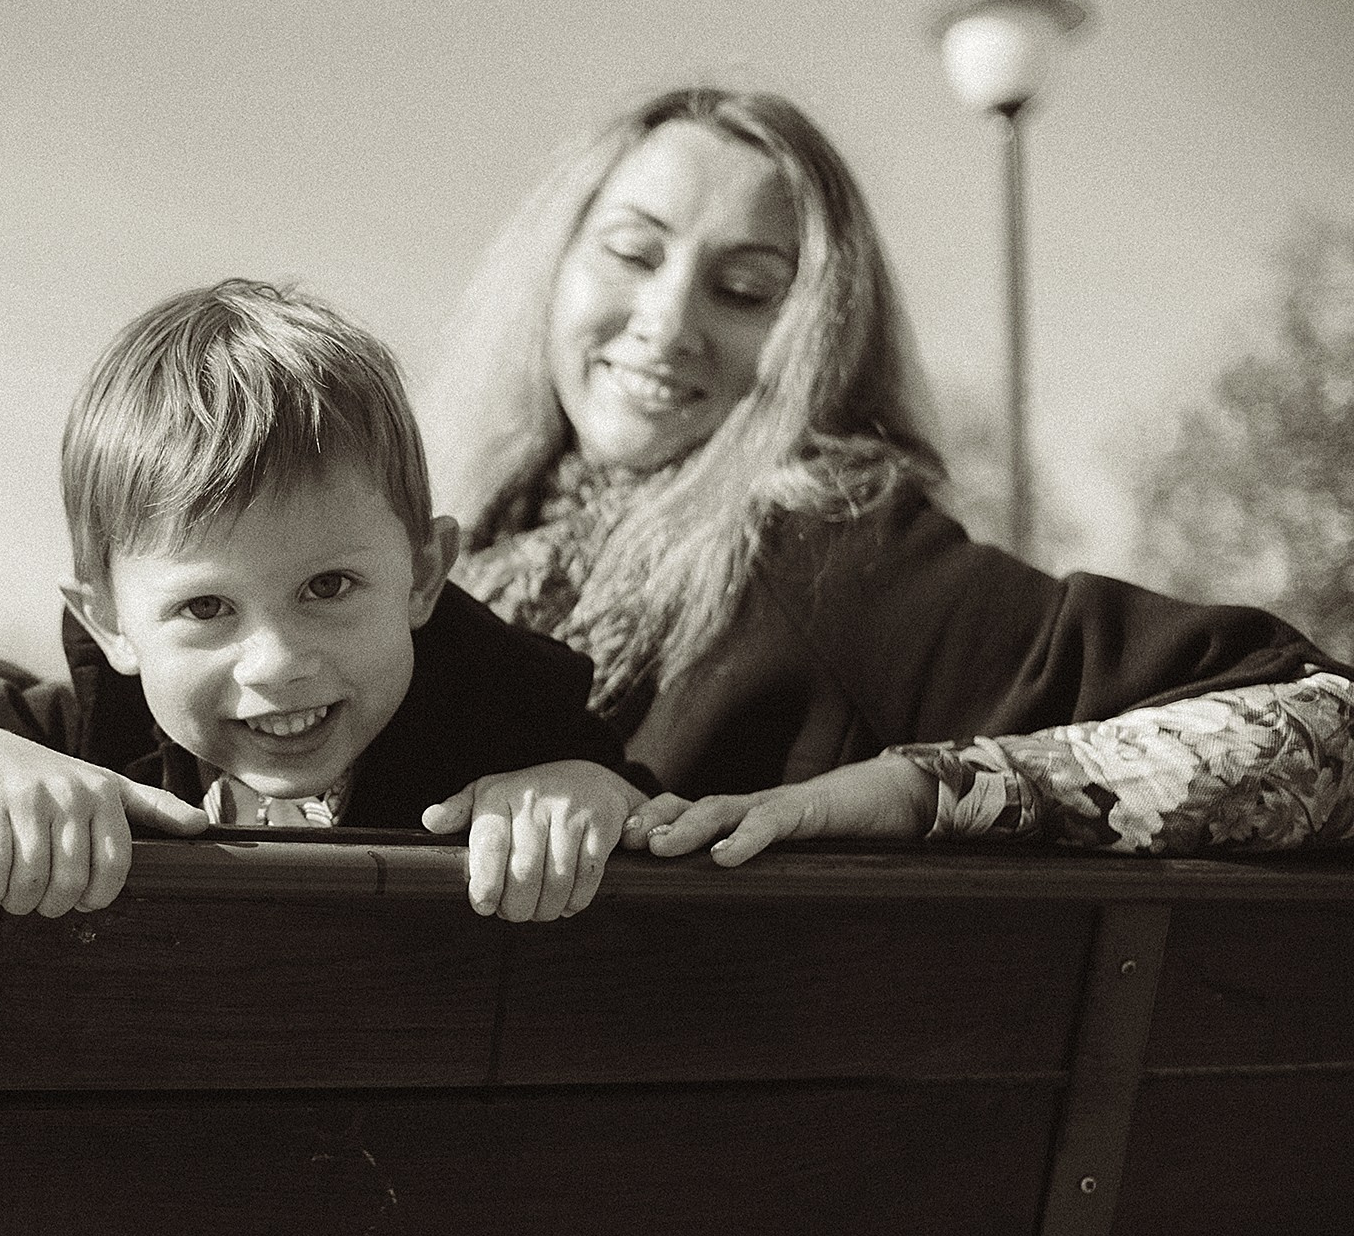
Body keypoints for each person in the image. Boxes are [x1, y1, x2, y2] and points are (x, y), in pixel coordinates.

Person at [422, 86, 1354, 866]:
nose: (668, 320)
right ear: (554, 265)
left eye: (746, 289)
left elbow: (1327, 722)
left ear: (818, 338)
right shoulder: (474, 536)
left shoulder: (825, 545)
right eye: (632, 252)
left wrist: (921, 788)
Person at [0, 279, 656, 920]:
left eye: (328, 586)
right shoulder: (79, 739)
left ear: (425, 574)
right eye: (206, 609)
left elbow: (656, 811)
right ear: (109, 621)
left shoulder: (507, 720)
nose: (276, 659)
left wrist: (589, 790)